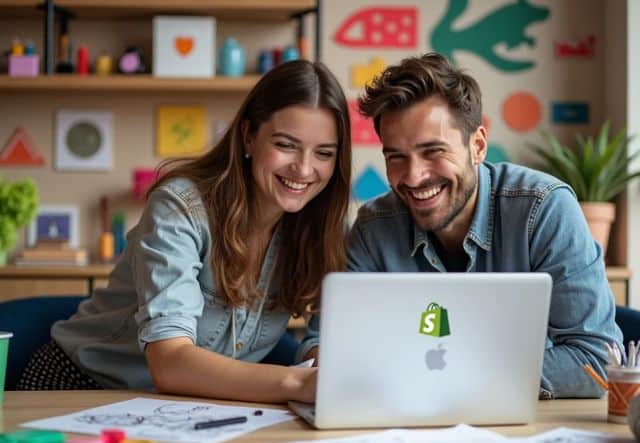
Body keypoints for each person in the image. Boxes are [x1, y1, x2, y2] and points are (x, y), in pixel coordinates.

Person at [18, 60, 351, 404]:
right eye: (286, 145)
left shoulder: (325, 227)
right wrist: (298, 383)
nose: (304, 168)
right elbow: (170, 362)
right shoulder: (181, 207)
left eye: (324, 153)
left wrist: (321, 357)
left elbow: (322, 333)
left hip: (189, 407)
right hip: (83, 387)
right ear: (249, 136)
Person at [297, 53, 623, 399]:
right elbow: (320, 346)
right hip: (404, 425)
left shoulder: (543, 209)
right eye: (396, 157)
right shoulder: (374, 228)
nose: (414, 176)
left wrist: (450, 377)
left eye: (433, 151)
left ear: (478, 146)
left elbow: (595, 359)